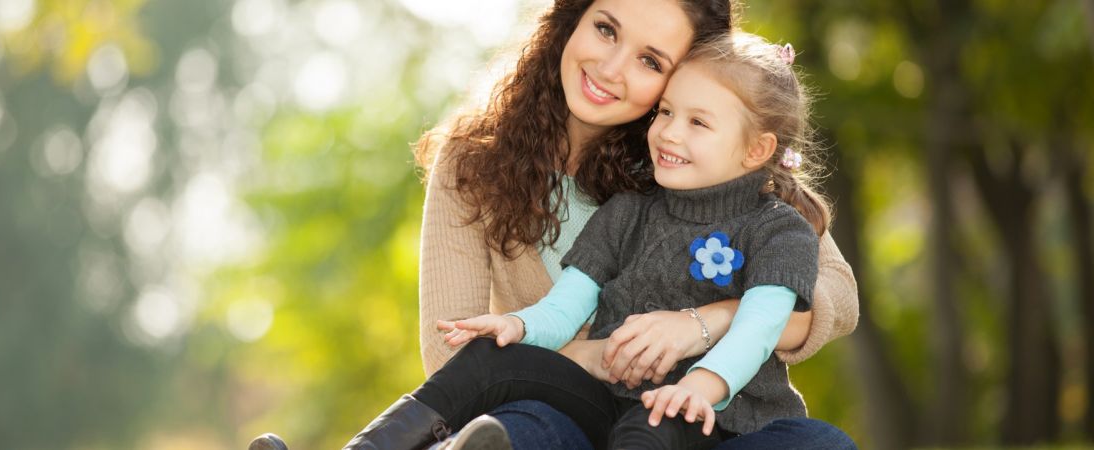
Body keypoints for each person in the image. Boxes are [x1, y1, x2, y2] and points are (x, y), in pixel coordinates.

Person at [249, 0, 857, 448]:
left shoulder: (697, 164)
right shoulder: (476, 162)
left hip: (696, 419)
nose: (612, 67)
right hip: (558, 407)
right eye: (605, 28)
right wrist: (605, 354)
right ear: (571, 18)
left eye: (649, 60)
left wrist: (698, 326)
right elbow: (451, 354)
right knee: (515, 432)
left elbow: (832, 296)